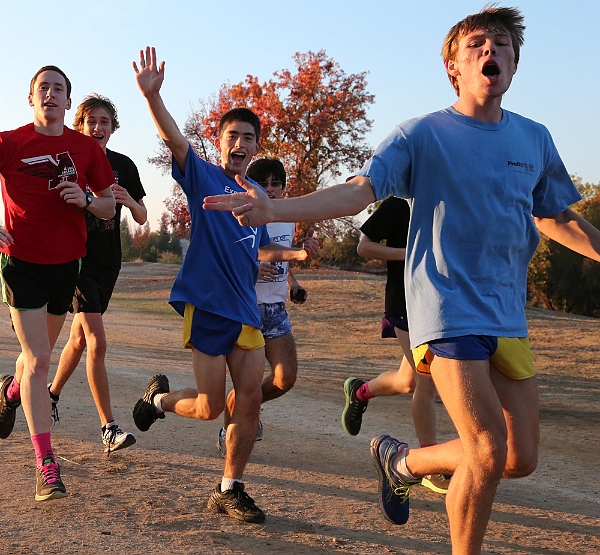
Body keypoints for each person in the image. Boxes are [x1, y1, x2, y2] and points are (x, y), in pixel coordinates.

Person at [203, 7, 600, 554]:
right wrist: (280, 205)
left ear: (515, 62)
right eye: (476, 44)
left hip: (506, 313)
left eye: (502, 44)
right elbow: (359, 192)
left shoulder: (535, 139)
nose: (491, 51)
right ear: (452, 67)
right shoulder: (422, 135)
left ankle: (402, 461)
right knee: (485, 450)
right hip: (445, 308)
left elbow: (555, 216)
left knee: (517, 458)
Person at [131, 47, 315, 523]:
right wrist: (154, 98)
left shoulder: (259, 198)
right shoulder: (204, 175)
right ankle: (157, 399)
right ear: (219, 142)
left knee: (249, 398)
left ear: (257, 147)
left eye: (248, 138)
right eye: (232, 135)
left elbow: (254, 251)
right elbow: (174, 142)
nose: (240, 144)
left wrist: (290, 260)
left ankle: (230, 487)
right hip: (208, 305)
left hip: (246, 311)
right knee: (212, 407)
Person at [0, 65, 116, 502]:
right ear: (31, 98)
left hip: (66, 265)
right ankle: (46, 465)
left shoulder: (85, 149)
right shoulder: (9, 142)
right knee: (40, 359)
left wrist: (87, 200)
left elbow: (107, 209)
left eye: (58, 89)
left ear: (66, 101)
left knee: (34, 361)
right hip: (19, 260)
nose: (50, 94)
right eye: (43, 88)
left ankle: (11, 390)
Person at [48, 93, 147, 454]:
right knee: (97, 342)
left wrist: (129, 200)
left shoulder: (124, 165)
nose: (98, 127)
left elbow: (141, 217)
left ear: (112, 128)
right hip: (77, 260)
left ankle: (50, 396)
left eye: (104, 121)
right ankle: (109, 427)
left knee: (78, 339)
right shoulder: (68, 163)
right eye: (91, 121)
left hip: (109, 262)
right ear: (80, 126)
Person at [342, 196, 449, 494]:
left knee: (408, 382)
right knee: (426, 384)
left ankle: (360, 391)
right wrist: (411, 254)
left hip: (438, 304)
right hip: (405, 305)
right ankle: (430, 467)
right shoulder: (399, 204)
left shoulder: (446, 200)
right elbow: (364, 246)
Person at [217, 158, 318, 455]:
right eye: (266, 183)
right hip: (245, 307)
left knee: (285, 378)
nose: (272, 189)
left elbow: (281, 255)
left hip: (276, 309)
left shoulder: (288, 217)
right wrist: (250, 268)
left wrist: (293, 283)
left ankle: (246, 404)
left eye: (278, 183)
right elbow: (225, 255)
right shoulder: (241, 214)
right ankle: (230, 430)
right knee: (245, 383)